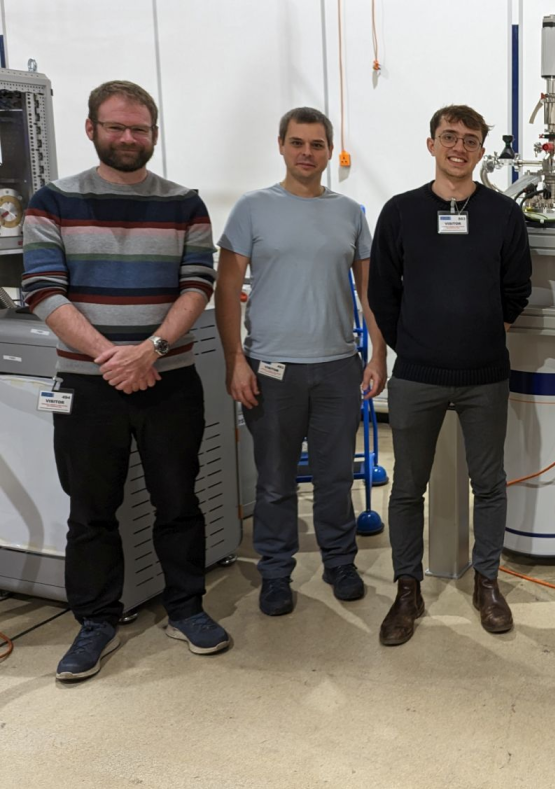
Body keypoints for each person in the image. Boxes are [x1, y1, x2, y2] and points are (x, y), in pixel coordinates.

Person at [21, 80, 231, 681]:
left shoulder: (184, 203)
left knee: (179, 501)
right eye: (115, 126)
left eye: (139, 129)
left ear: (154, 135)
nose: (128, 137)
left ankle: (186, 607)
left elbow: (198, 284)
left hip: (170, 380)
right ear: (91, 129)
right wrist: (113, 357)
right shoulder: (51, 202)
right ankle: (96, 621)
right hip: (87, 385)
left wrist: (152, 350)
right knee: (90, 510)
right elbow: (42, 289)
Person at [368, 104, 532, 646]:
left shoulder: (503, 215)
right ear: (431, 144)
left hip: (485, 375)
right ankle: (407, 590)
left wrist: (481, 331)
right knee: (407, 488)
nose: (458, 147)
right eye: (449, 136)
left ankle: (487, 585)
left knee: (489, 484)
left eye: (469, 139)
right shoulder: (400, 212)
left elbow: (517, 288)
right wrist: (414, 344)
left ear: (482, 150)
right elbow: (382, 292)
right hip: (417, 375)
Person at [214, 107, 385, 617]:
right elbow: (227, 289)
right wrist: (234, 359)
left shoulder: (349, 213)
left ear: (329, 150)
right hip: (271, 370)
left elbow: (370, 291)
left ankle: (340, 562)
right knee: (274, 481)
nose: (306, 153)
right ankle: (275, 572)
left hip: (337, 367)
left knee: (335, 477)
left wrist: (378, 352)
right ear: (281, 145)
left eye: (316, 144)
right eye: (297, 143)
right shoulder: (252, 209)